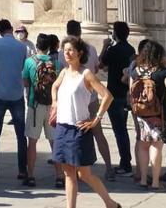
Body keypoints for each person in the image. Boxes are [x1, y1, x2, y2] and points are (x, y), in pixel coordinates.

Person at [51, 36, 121, 208]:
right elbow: (54, 86)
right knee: (68, 174)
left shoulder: (86, 74)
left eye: (70, 50)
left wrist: (96, 119)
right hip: (62, 127)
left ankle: (110, 203)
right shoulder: (63, 72)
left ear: (79, 53)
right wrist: (55, 102)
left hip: (78, 129)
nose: (66, 53)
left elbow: (107, 96)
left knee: (84, 174)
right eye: (64, 50)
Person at [0, 19, 28, 185]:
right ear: (11, 29)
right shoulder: (22, 47)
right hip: (17, 93)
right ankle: (22, 170)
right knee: (20, 135)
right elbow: (23, 66)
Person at [129, 39, 166, 190]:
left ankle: (142, 180)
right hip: (158, 113)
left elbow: (131, 93)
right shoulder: (161, 72)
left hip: (141, 113)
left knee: (143, 145)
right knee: (156, 146)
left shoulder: (135, 71)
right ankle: (154, 182)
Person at [97, 21, 134, 177]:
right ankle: (126, 161)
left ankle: (125, 164)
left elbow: (100, 64)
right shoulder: (131, 49)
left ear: (115, 34)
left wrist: (105, 45)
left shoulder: (113, 49)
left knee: (119, 130)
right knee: (122, 130)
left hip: (114, 94)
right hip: (126, 93)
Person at [23, 33, 60, 189]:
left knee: (32, 142)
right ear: (49, 47)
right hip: (52, 106)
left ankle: (30, 175)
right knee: (55, 142)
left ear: (36, 46)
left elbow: (26, 82)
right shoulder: (56, 63)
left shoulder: (29, 62)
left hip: (35, 104)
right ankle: (59, 177)